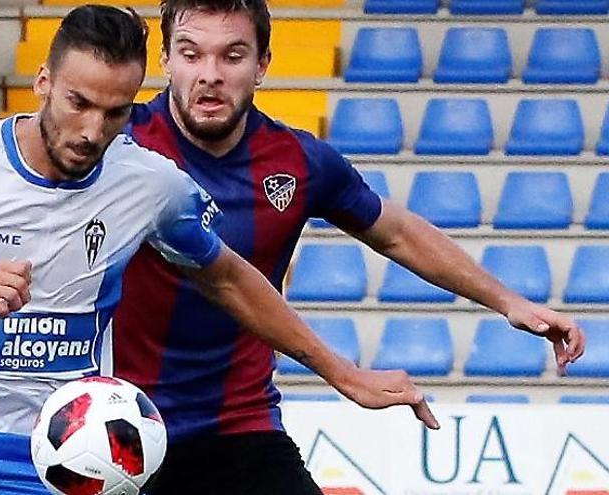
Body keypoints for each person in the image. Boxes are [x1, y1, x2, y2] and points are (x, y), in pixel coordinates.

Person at [0, 5, 436, 495]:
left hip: (67, 447)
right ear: (43, 82)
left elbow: (229, 278)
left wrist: (341, 371)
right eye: (78, 103)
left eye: (116, 112)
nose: (92, 130)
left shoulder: (148, 181)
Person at [110, 1, 587, 494]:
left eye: (232, 56)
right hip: (115, 427)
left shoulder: (299, 160)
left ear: (262, 65)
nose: (209, 75)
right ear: (165, 59)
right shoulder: (118, 146)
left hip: (240, 430)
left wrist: (510, 301)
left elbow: (396, 231)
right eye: (191, 55)